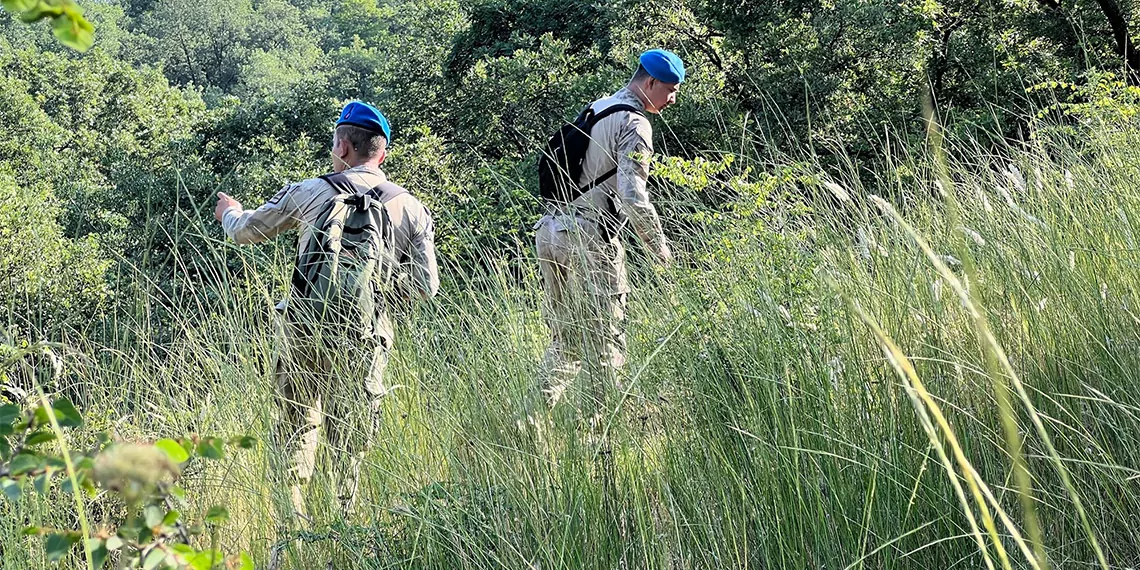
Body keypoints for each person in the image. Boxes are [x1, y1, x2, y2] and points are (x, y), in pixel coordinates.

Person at [212, 101, 439, 520]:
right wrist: (378, 295)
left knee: (294, 429)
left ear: (341, 146)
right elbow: (427, 286)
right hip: (365, 336)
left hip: (303, 329)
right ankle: (343, 534)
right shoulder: (411, 207)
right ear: (382, 152)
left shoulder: (310, 190)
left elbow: (246, 231)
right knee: (350, 444)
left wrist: (229, 213)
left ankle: (290, 539)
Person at [534, 49, 683, 417]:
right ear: (649, 83)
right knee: (606, 344)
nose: (673, 99)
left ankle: (528, 419)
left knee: (565, 341)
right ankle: (601, 440)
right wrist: (659, 248)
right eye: (670, 89)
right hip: (589, 238)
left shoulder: (597, 107)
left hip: (551, 230)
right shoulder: (635, 124)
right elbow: (633, 195)